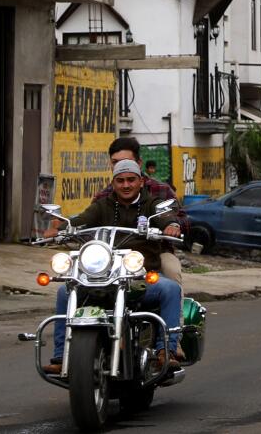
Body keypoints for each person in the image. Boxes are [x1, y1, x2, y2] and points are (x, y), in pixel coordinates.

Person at [46, 160, 183, 373]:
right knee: (65, 291)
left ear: (140, 182)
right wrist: (61, 228)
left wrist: (171, 226)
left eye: (131, 180)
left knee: (170, 289)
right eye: (120, 181)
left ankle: (167, 350)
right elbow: (83, 219)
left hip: (139, 277)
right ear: (114, 183)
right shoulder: (103, 205)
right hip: (105, 275)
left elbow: (166, 217)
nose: (126, 185)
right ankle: (60, 356)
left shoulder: (152, 204)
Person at [103, 135, 187, 284]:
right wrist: (66, 227)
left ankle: (175, 307)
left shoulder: (161, 190)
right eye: (115, 162)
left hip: (157, 253)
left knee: (172, 274)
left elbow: (182, 219)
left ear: (139, 163)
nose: (120, 167)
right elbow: (88, 219)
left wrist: (172, 226)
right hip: (113, 255)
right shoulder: (104, 195)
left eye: (126, 162)